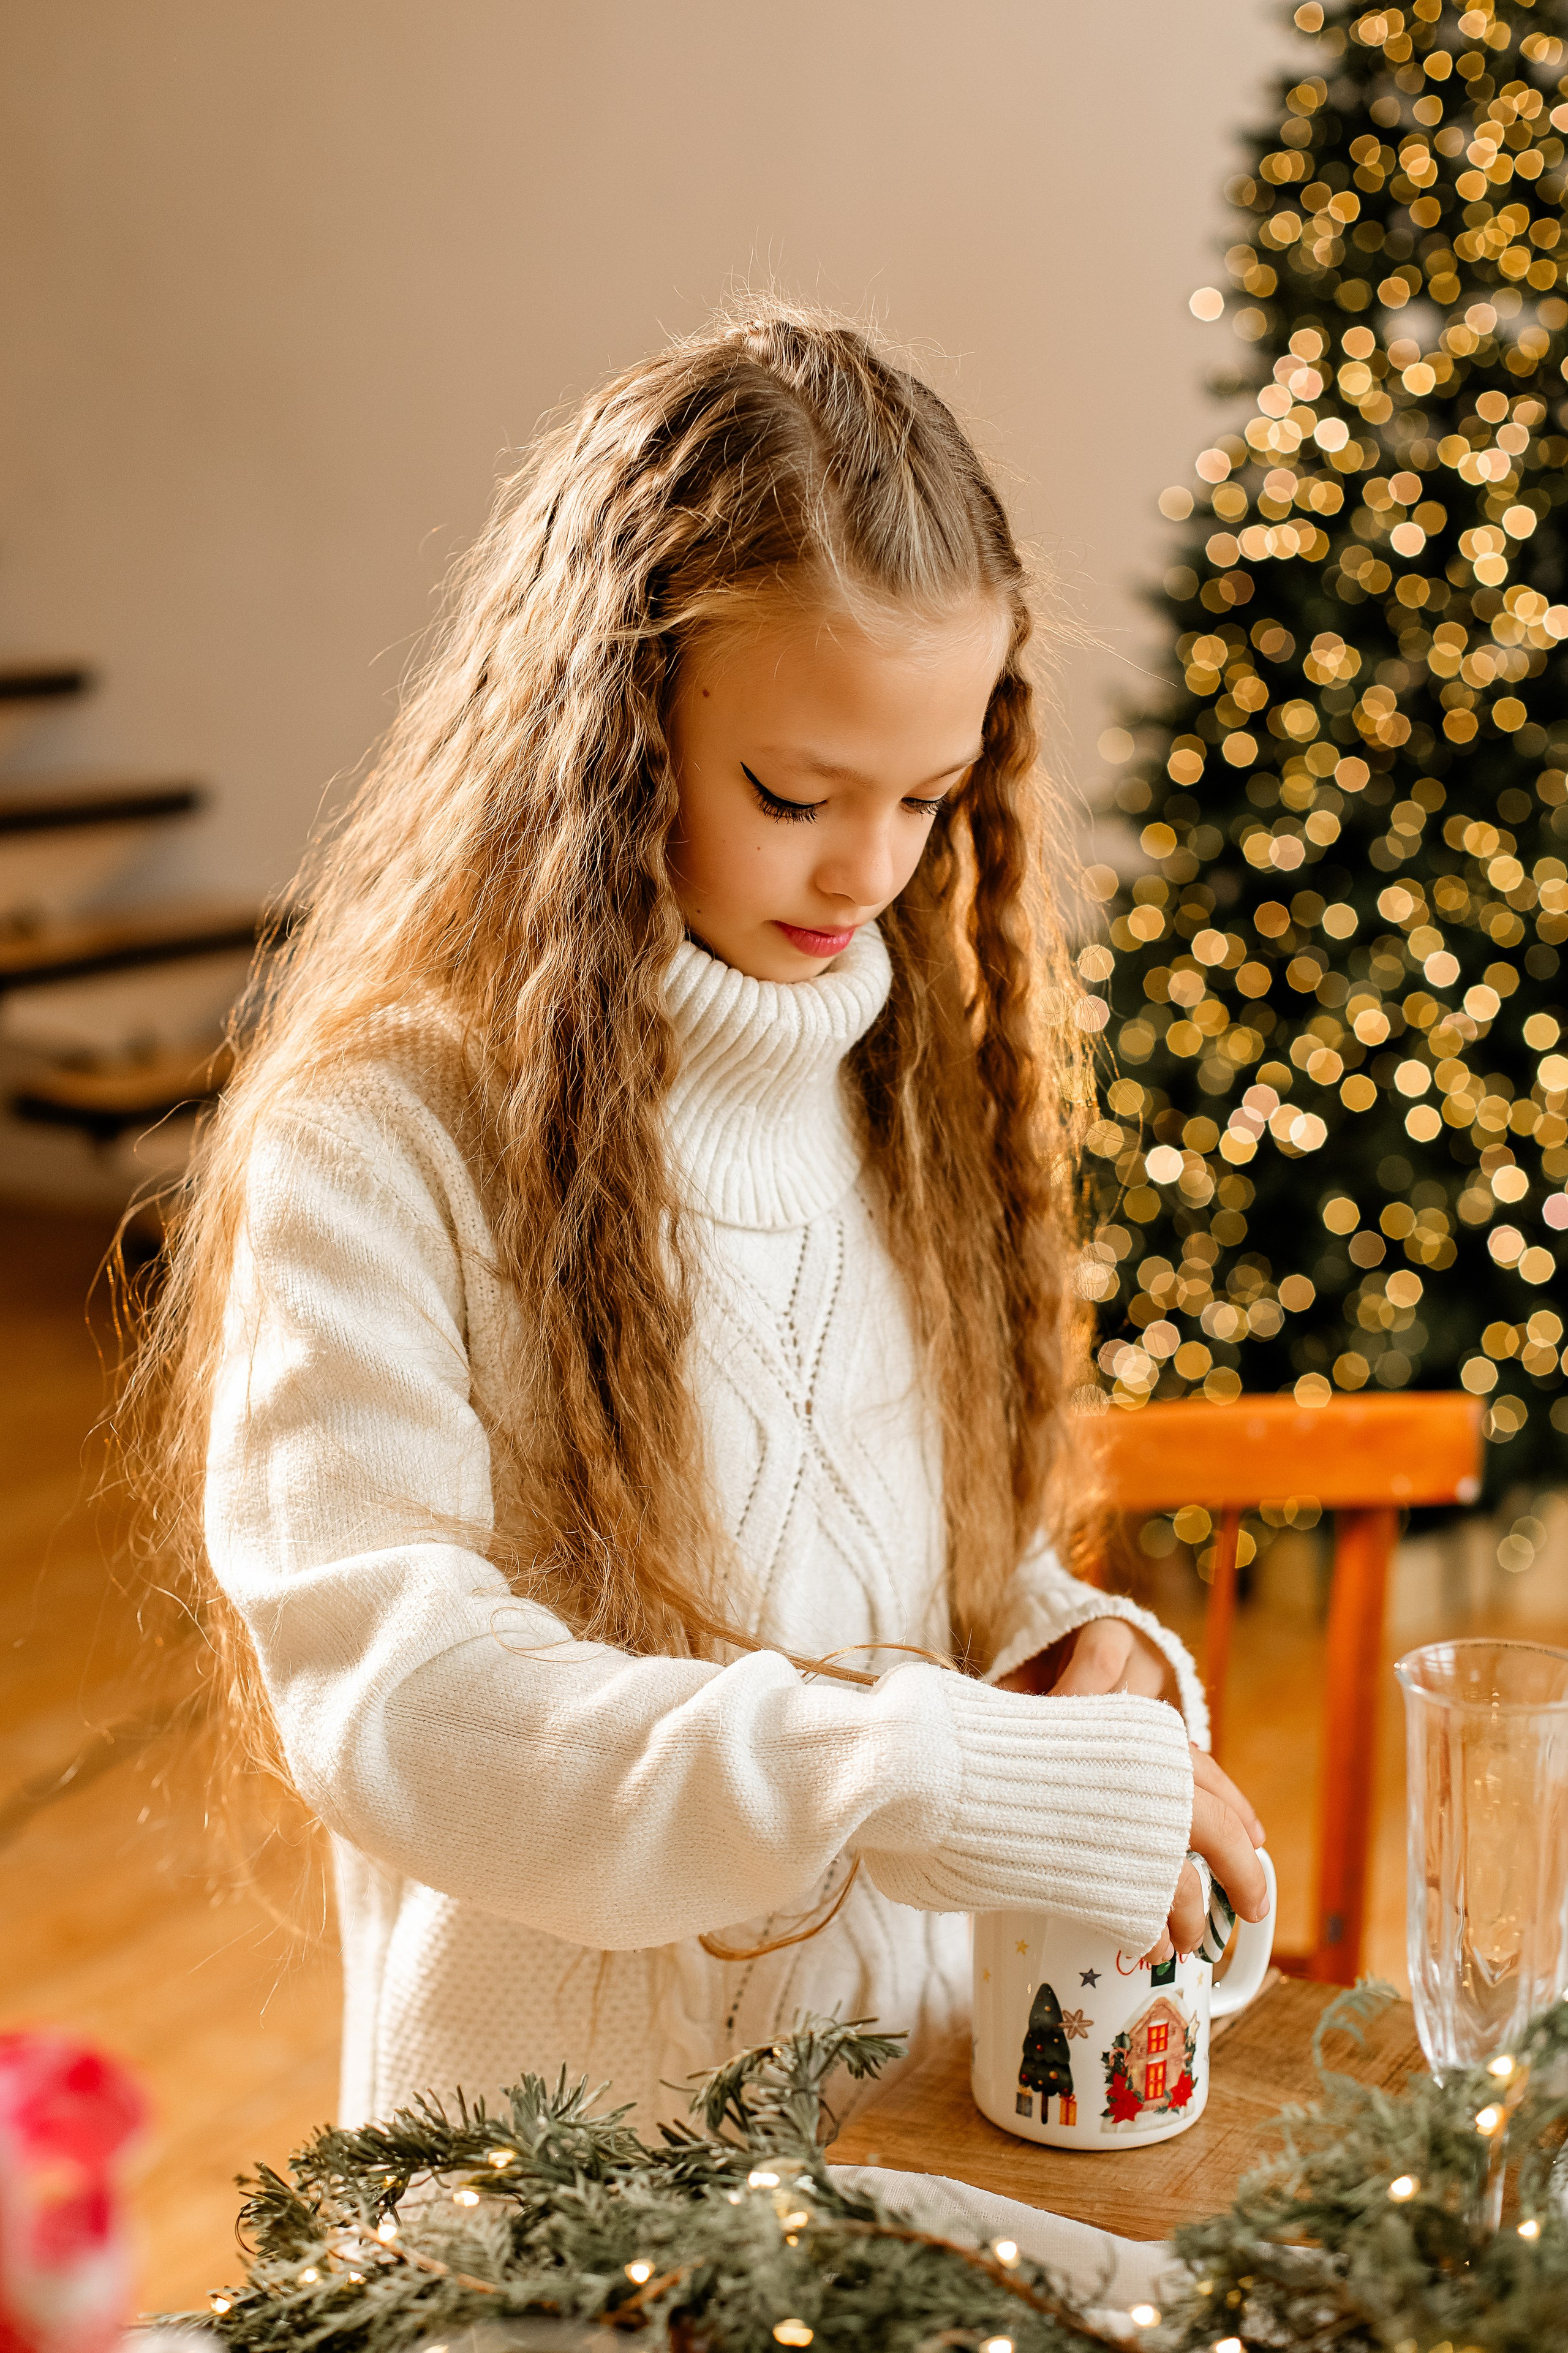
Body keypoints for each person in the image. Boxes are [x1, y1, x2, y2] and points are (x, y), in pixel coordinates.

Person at [130, 306, 1265, 2132]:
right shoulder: (383, 1136)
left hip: (907, 2161)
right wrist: (937, 1763)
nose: (872, 872)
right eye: (793, 794)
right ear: (609, 731)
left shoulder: (904, 1096)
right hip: (547, 2223)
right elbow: (411, 1708)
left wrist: (1046, 1646)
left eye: (931, 795)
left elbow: (890, 1599)